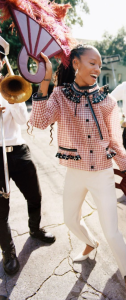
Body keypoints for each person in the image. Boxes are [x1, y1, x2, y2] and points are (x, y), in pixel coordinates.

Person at [29, 44, 126, 300]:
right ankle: (90, 242)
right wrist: (45, 80)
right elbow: (39, 121)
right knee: (70, 220)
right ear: (76, 64)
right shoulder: (59, 95)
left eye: (100, 65)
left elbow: (114, 140)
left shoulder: (107, 101)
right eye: (92, 63)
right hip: (75, 171)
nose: (97, 69)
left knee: (111, 231)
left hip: (102, 172)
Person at [0, 36, 55, 276]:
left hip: (18, 151)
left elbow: (23, 119)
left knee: (35, 195)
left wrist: (10, 98)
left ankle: (35, 230)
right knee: (0, 211)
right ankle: (9, 254)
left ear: (2, 62)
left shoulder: (11, 85)